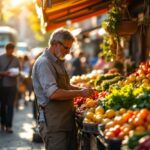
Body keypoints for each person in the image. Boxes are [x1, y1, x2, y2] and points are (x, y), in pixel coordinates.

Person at [32, 28, 95, 150]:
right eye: (66, 48)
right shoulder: (44, 63)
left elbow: (65, 86)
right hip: (54, 125)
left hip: (66, 122)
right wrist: (80, 92)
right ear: (55, 44)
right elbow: (53, 93)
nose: (68, 51)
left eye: (70, 48)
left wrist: (83, 90)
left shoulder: (57, 62)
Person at [0, 42, 20, 133]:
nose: (11, 52)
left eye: (12, 50)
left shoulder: (16, 59)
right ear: (6, 49)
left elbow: (19, 71)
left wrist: (15, 73)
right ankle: (2, 123)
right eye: (9, 50)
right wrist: (5, 73)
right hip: (3, 85)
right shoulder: (1, 58)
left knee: (11, 105)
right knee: (2, 105)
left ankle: (9, 126)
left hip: (13, 85)